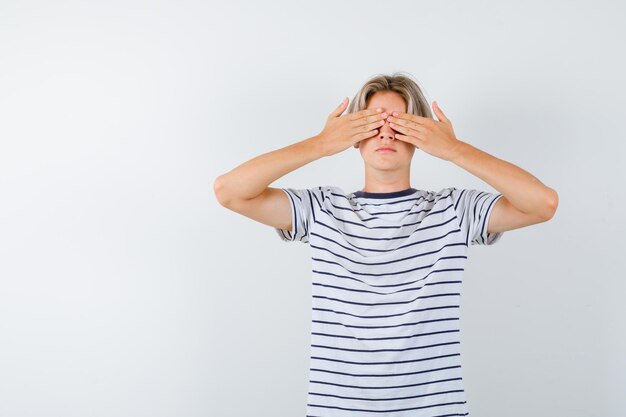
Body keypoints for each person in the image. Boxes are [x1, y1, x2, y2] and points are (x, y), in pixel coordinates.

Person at [214, 72, 558, 416]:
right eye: (372, 122)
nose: (386, 133)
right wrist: (319, 144)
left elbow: (542, 204)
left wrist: (455, 150)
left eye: (401, 123)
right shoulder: (320, 209)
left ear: (421, 136)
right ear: (354, 135)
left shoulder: (454, 210)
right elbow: (229, 191)